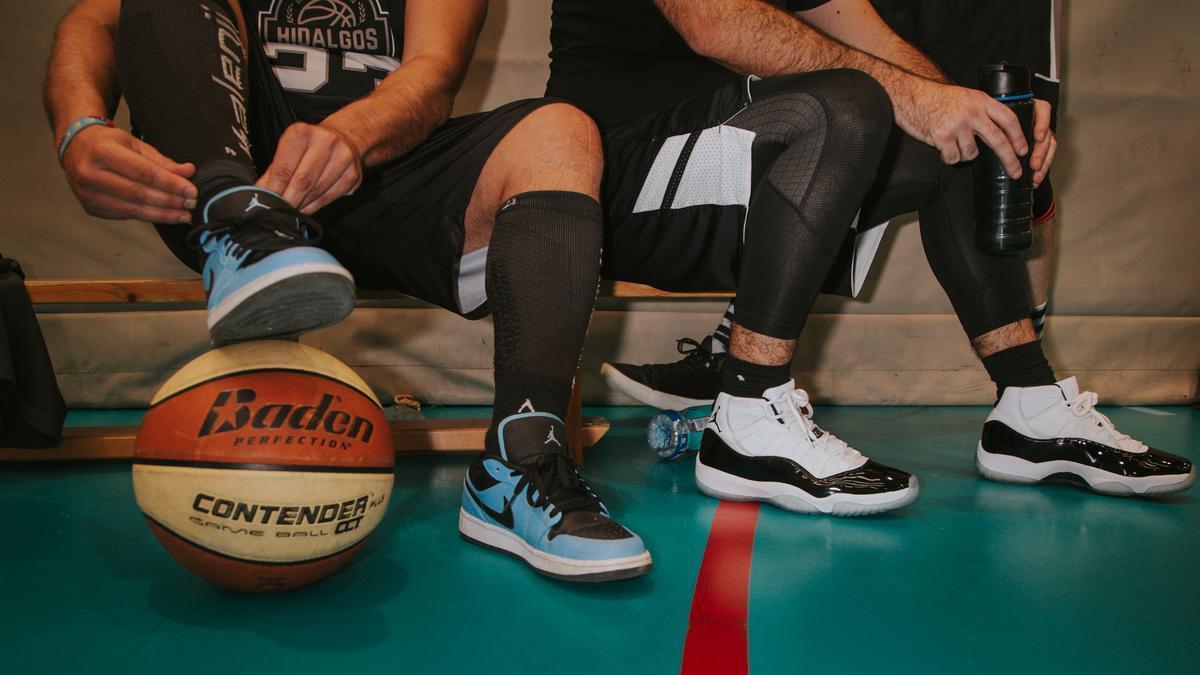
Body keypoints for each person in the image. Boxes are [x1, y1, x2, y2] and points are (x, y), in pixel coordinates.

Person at [46, 0, 650, 581]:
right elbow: (98, 19)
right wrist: (80, 128)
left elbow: (433, 73)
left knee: (560, 129)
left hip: (381, 160)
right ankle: (239, 224)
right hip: (236, 161)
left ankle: (520, 460)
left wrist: (349, 136)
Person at [547, 0, 1194, 507]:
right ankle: (747, 410)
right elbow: (714, 21)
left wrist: (973, 116)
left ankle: (1029, 407)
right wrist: (919, 99)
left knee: (960, 134)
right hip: (611, 179)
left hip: (728, 157)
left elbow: (872, 38)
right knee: (849, 102)